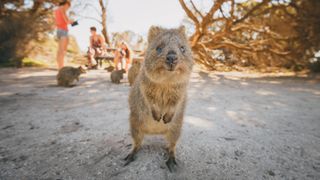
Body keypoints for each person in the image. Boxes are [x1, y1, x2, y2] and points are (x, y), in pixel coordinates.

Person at [54, 0, 74, 69]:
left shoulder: (56, 10)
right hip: (63, 31)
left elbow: (59, 21)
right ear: (66, 4)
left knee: (60, 50)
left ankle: (59, 66)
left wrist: (70, 22)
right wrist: (73, 22)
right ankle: (61, 68)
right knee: (62, 50)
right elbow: (67, 21)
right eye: (68, 6)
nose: (68, 8)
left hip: (59, 30)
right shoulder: (62, 9)